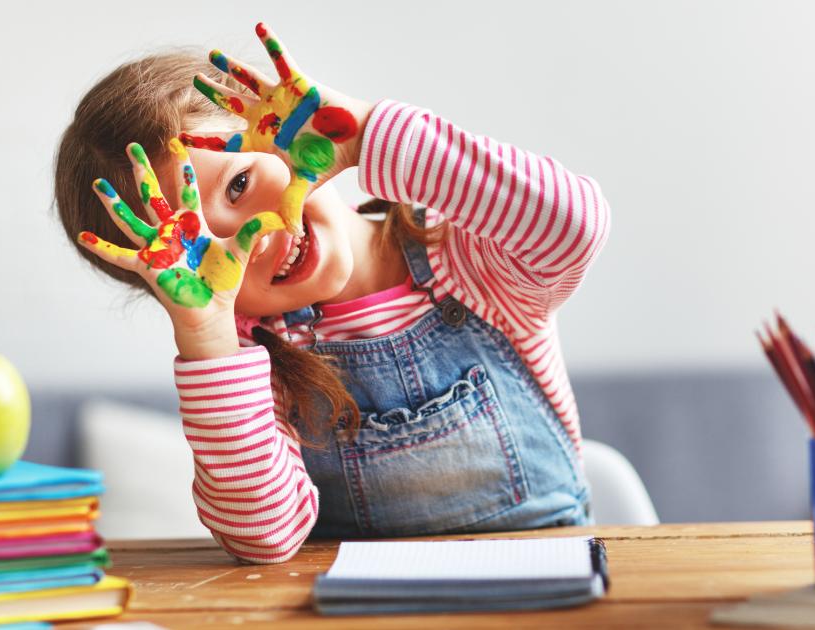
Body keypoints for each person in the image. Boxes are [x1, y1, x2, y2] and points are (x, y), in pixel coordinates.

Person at [55, 23, 611, 564]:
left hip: (550, 580)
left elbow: (572, 226)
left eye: (239, 184)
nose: (254, 236)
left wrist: (363, 134)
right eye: (197, 248)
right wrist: (208, 337)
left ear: (287, 135)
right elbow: (263, 538)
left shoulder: (467, 259)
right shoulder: (253, 360)